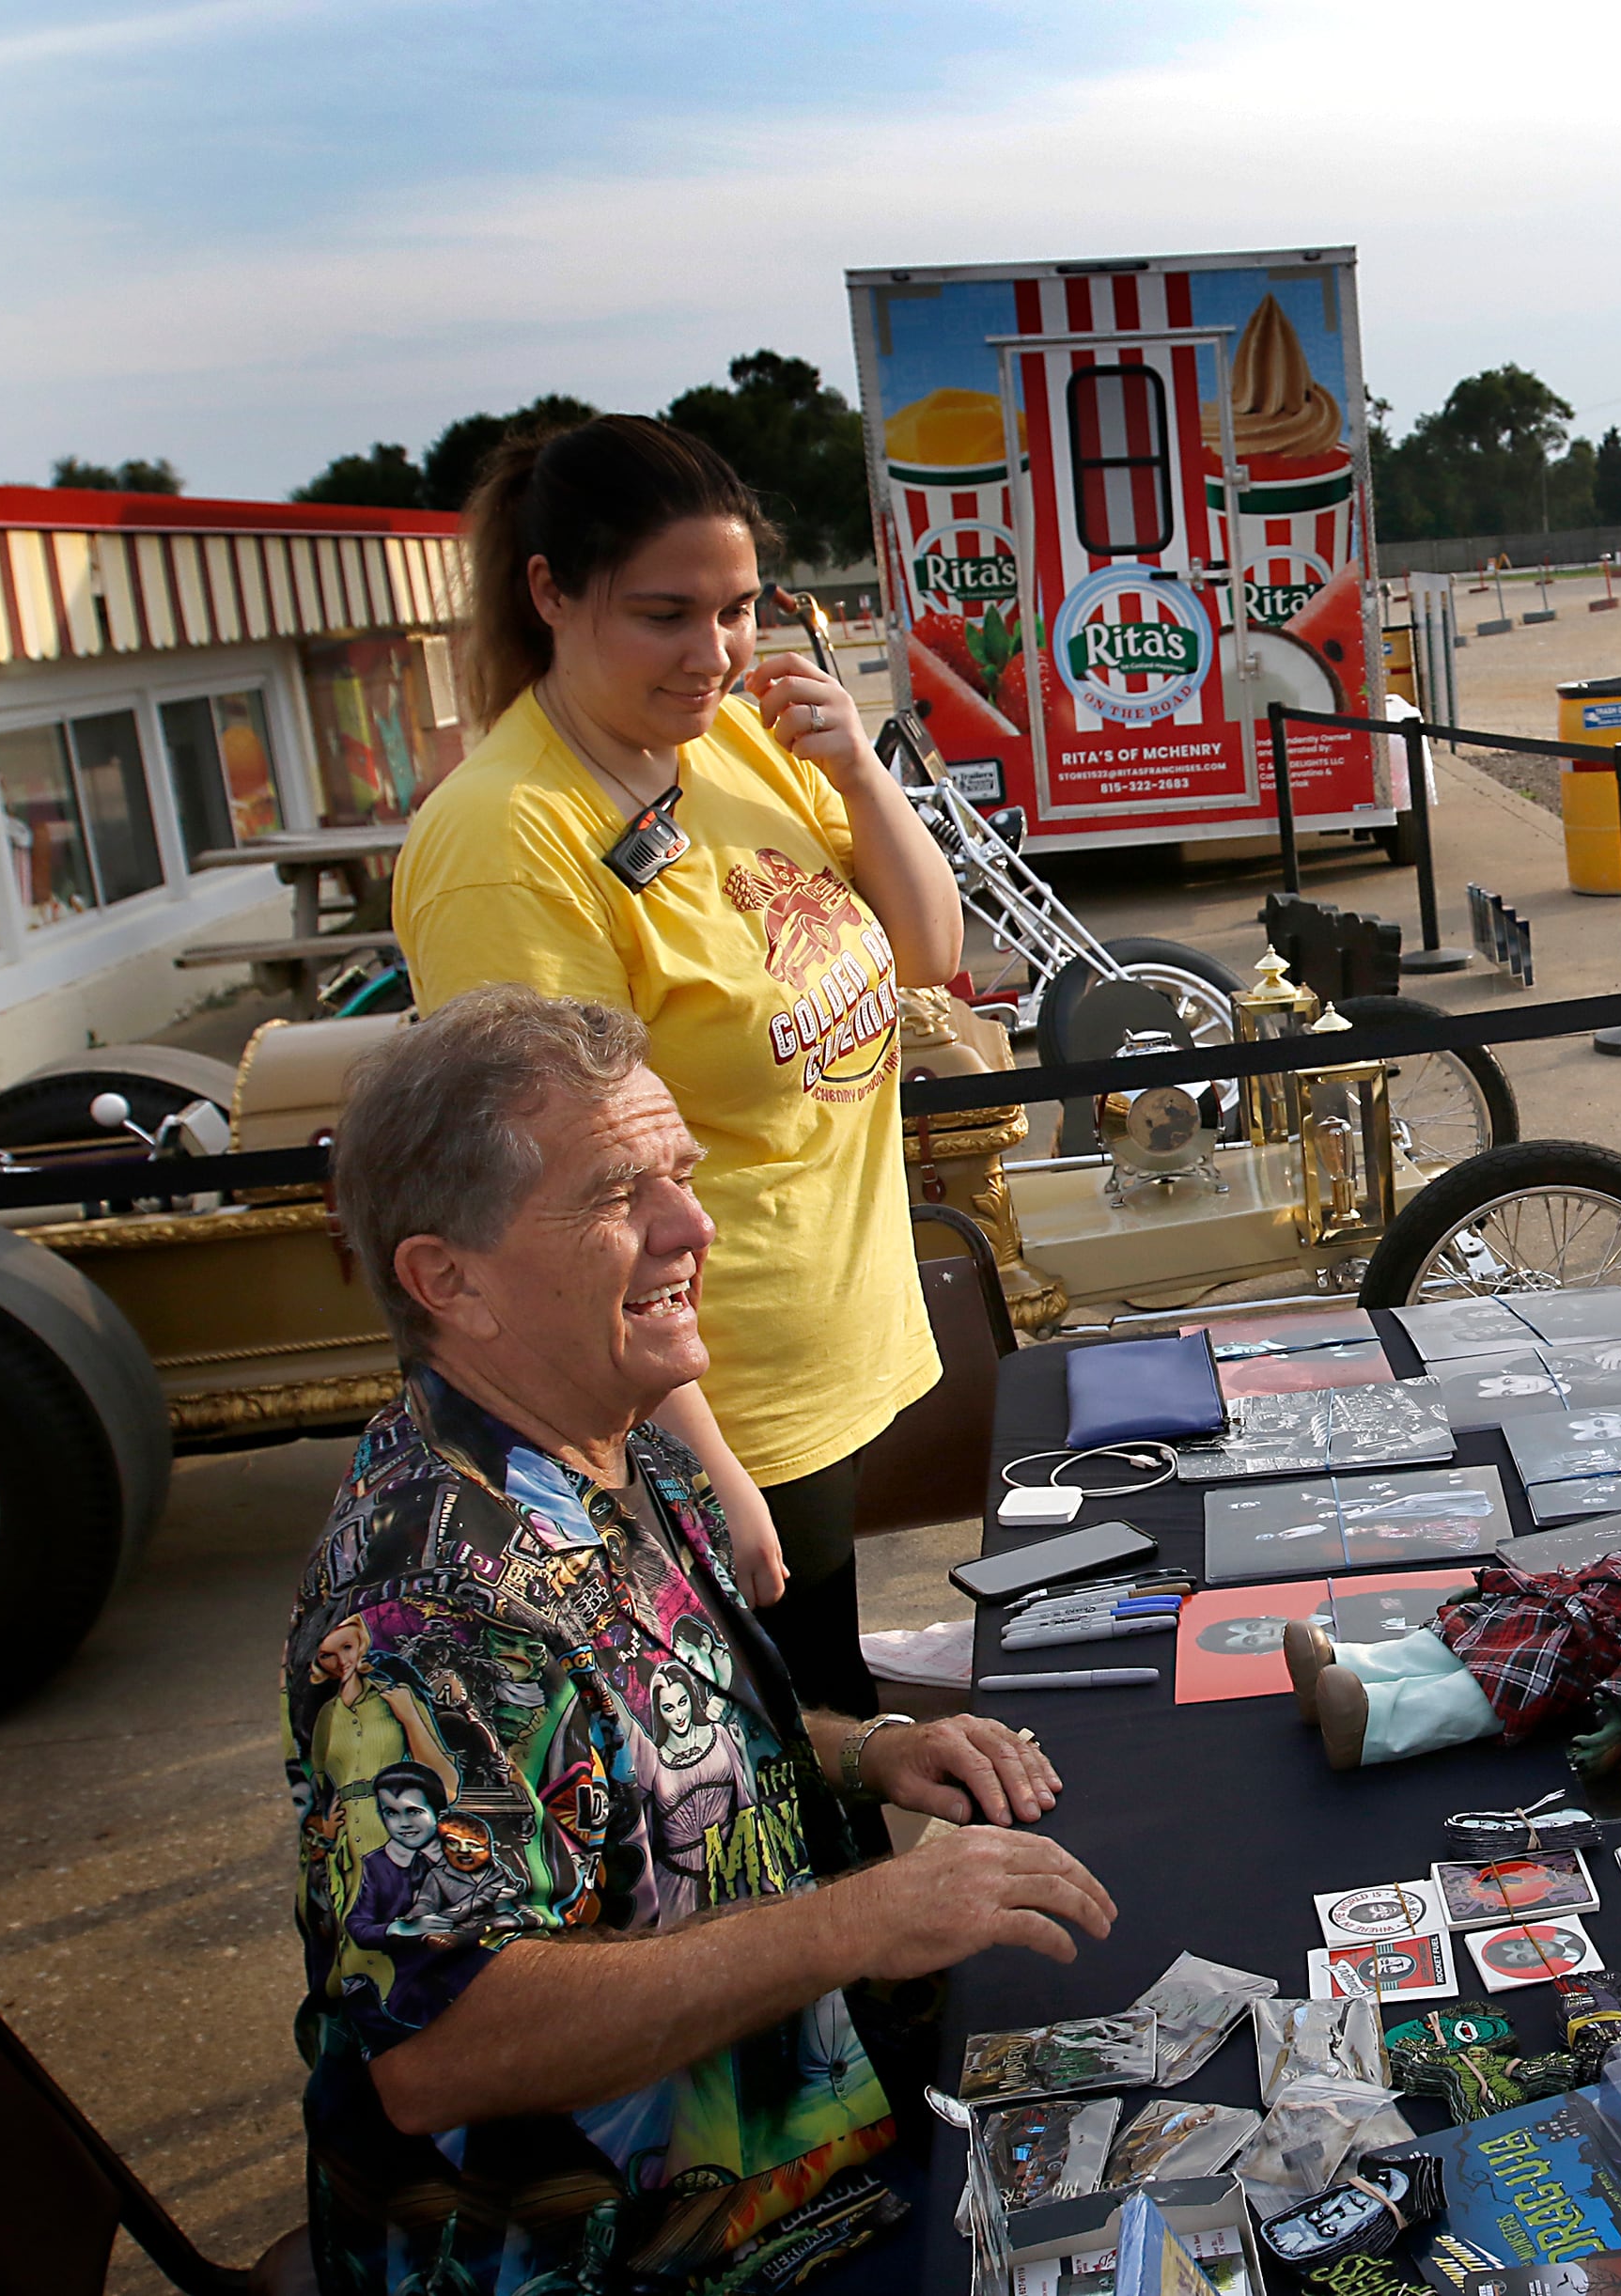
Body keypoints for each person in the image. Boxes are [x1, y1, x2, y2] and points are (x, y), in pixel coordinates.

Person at [288, 987, 1111, 2295]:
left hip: (804, 2144)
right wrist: (856, 1920)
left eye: (682, 1172)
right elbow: (442, 2040)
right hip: (635, 2255)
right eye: (621, 1193)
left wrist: (866, 1751)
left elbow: (649, 1745)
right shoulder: (432, 1614)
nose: (693, 1224)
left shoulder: (614, 1445)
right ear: (448, 1277)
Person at [397, 415, 966, 1735]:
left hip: (832, 1361)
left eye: (737, 608)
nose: (711, 653)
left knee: (845, 1760)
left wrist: (860, 773)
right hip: (711, 1410)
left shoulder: (729, 738)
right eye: (665, 614)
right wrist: (703, 1465)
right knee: (787, 1821)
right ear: (551, 592)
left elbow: (931, 952)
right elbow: (570, 1199)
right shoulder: (509, 841)